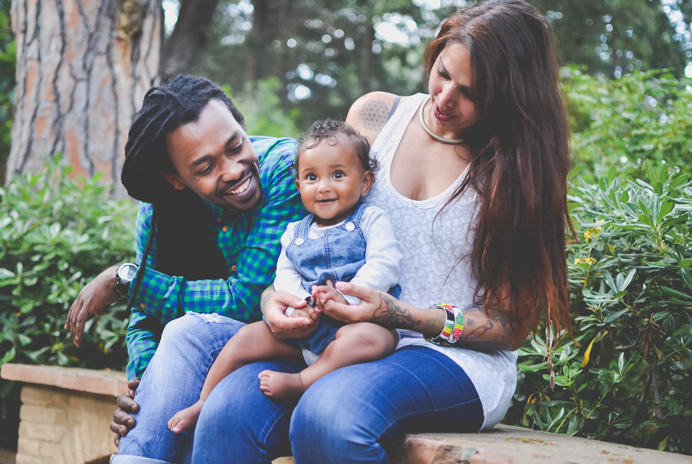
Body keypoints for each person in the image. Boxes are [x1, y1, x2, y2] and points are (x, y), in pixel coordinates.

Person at [110, 1, 573, 463]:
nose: (446, 98)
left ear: (512, 97)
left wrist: (401, 314)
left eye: (471, 92)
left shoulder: (516, 174)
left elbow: (512, 326)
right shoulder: (376, 119)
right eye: (443, 73)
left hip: (452, 361)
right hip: (333, 338)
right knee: (227, 410)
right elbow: (316, 234)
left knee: (327, 414)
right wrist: (276, 301)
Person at [65, 75, 308, 388]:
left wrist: (127, 279)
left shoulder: (287, 171)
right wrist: (145, 382)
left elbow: (246, 300)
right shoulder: (159, 209)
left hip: (279, 362)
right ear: (174, 178)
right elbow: (145, 317)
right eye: (205, 168)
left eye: (236, 145)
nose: (233, 170)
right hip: (198, 362)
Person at [167, 119, 403, 433]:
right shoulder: (295, 232)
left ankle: (302, 381)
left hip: (356, 321)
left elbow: (385, 263)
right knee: (245, 338)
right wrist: (298, 304)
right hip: (306, 326)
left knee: (375, 338)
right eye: (311, 177)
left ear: (365, 182)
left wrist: (348, 296)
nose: (323, 186)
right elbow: (285, 273)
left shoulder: (370, 219)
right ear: (298, 185)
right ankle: (203, 401)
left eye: (338, 174)